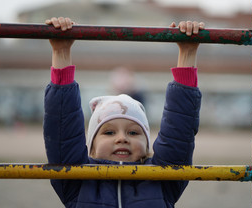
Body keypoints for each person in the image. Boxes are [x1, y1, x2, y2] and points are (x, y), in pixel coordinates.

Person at [43, 17, 204, 208]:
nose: (122, 139)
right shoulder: (77, 179)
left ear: (147, 146)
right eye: (109, 132)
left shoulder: (161, 179)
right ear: (91, 147)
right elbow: (62, 129)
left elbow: (179, 132)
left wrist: (187, 53)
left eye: (133, 132)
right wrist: (61, 51)